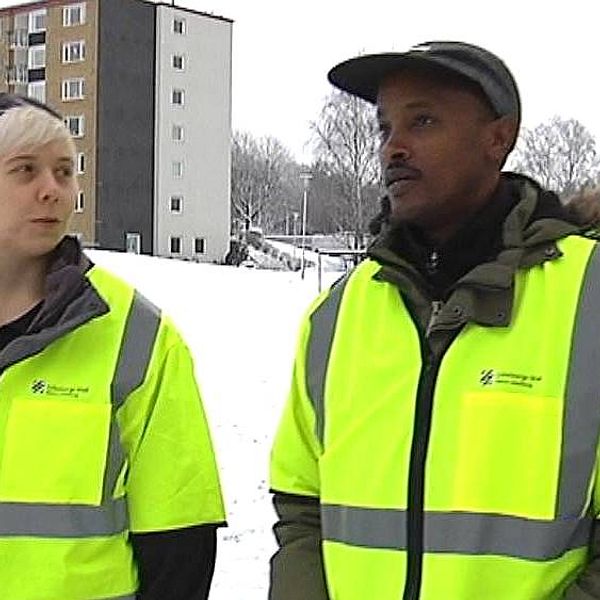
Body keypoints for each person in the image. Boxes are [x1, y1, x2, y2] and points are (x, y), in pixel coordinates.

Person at [269, 41, 600, 600]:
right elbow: (303, 505)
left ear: (499, 137)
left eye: (422, 121)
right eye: (383, 128)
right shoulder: (335, 315)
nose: (393, 148)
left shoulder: (588, 298)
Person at [0, 93, 226, 600]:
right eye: (25, 171)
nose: (52, 191)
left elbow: (181, 549)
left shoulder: (139, 336)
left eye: (64, 172)